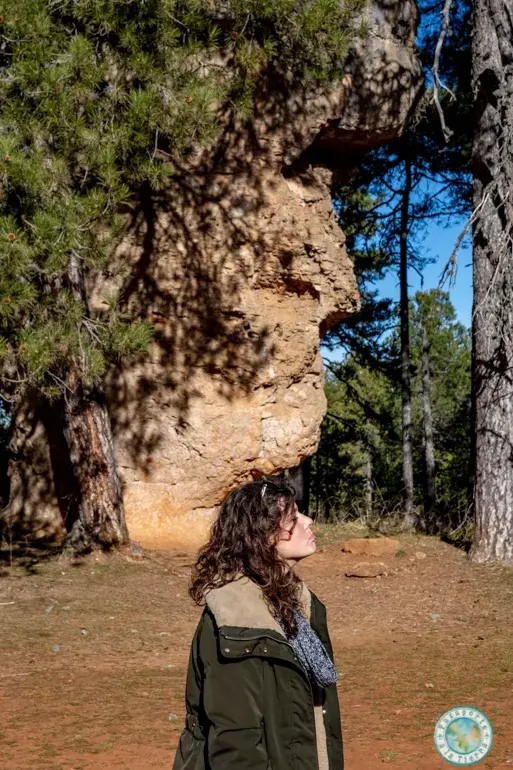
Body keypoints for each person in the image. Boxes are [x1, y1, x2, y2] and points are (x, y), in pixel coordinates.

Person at [172, 477, 343, 770]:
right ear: (263, 535)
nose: (308, 520)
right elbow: (236, 738)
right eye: (293, 517)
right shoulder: (236, 619)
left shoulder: (297, 607)